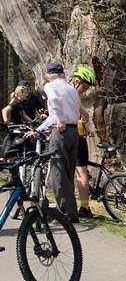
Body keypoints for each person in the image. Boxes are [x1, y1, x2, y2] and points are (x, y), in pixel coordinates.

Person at [31, 63, 81, 222]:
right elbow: (77, 108)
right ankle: (69, 210)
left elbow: (53, 105)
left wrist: (55, 122)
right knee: (68, 171)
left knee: (57, 173)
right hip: (74, 132)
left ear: (49, 75)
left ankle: (67, 214)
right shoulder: (71, 88)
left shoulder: (50, 86)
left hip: (61, 131)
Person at [69, 65, 98, 218]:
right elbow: (82, 116)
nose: (85, 90)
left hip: (73, 136)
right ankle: (84, 208)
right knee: (80, 172)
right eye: (85, 86)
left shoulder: (67, 92)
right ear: (78, 81)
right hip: (76, 137)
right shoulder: (72, 93)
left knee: (80, 172)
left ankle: (84, 207)